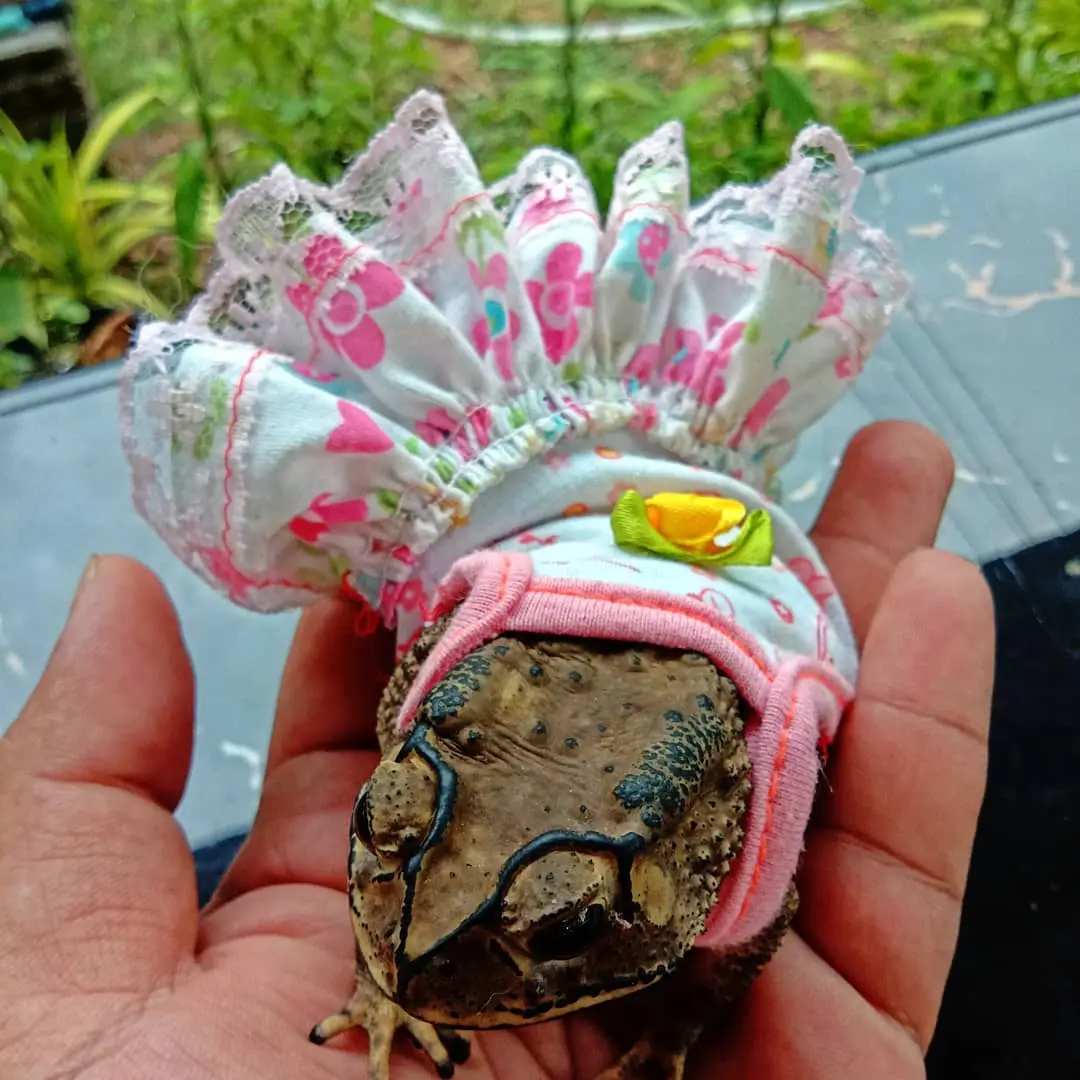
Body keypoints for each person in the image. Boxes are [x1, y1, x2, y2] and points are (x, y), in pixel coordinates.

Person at [0, 420, 994, 1080]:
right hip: (548, 575)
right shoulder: (425, 738)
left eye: (563, 924)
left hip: (706, 643)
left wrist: (676, 1032)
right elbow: (422, 714)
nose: (413, 950)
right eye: (385, 826)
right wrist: (380, 966)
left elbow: (752, 925)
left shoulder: (727, 837)